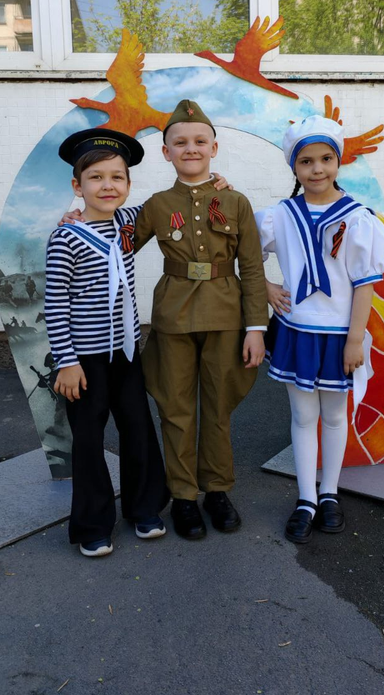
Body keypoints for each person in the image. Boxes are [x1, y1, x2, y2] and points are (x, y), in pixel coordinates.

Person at [135, 100, 268, 540]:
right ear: (165, 152)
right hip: (173, 317)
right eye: (180, 143)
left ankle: (217, 489)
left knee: (217, 407)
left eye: (199, 141)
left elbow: (252, 268)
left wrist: (256, 328)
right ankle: (183, 496)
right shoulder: (156, 205)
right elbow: (117, 244)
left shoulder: (235, 201)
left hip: (226, 316)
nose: (190, 149)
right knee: (175, 409)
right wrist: (79, 219)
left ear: (214, 147)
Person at [254, 115, 384, 544]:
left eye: (326, 159)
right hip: (296, 331)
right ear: (294, 167)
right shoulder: (279, 215)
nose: (317, 169)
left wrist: (355, 340)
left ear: (338, 161)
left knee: (333, 416)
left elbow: (365, 284)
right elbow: (241, 251)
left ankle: (330, 492)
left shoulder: (359, 218)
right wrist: (266, 287)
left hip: (339, 335)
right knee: (302, 415)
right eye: (306, 161)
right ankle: (306, 498)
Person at [45, 128, 170, 557]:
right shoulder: (66, 238)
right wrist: (66, 362)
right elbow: (55, 304)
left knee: (138, 429)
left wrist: (216, 184)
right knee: (88, 441)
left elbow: (171, 204)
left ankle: (144, 507)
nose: (107, 185)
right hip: (84, 360)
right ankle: (93, 524)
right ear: (77, 186)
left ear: (129, 185)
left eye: (117, 177)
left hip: (127, 354)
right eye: (95, 178)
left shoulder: (128, 222)